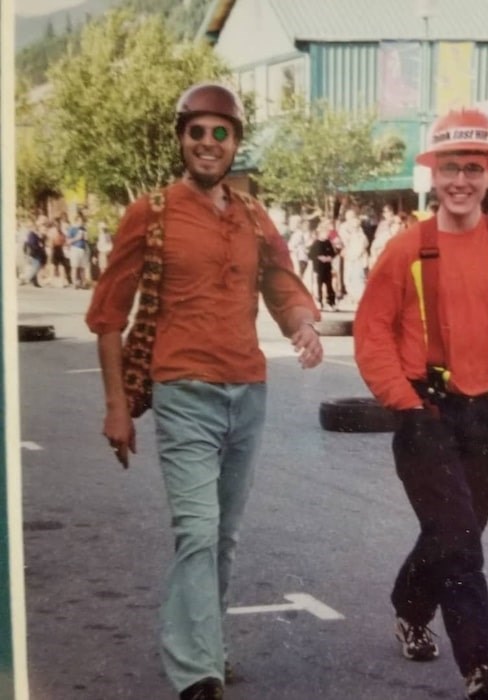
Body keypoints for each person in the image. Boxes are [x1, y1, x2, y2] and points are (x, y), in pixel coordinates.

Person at [85, 82, 323, 700]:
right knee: (197, 529)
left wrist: (301, 325)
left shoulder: (252, 215)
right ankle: (198, 673)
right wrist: (117, 406)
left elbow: (281, 283)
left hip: (247, 391)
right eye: (197, 131)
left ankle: (209, 647)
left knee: (225, 532)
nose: (208, 143)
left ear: (236, 143)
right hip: (183, 391)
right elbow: (108, 314)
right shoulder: (151, 212)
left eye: (221, 133)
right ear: (181, 139)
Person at [354, 108, 488, 700]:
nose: (461, 179)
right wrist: (404, 406)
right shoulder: (406, 249)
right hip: (426, 412)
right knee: (458, 536)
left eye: (473, 168)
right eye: (451, 166)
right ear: (434, 174)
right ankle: (480, 665)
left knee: (454, 533)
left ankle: (408, 608)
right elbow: (371, 332)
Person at [309, 217, 338, 310]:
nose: (326, 235)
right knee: (319, 285)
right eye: (324, 233)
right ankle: (319, 301)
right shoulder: (316, 243)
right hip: (318, 268)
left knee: (329, 285)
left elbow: (333, 253)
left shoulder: (328, 242)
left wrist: (329, 257)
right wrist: (319, 258)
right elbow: (311, 254)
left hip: (327, 267)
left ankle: (331, 302)